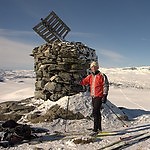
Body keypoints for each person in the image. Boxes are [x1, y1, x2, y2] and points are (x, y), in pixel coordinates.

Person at [80, 61, 109, 133]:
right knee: (97, 112)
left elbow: (105, 86)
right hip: (93, 96)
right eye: (92, 67)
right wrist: (76, 81)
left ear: (97, 67)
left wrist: (105, 95)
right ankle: (99, 128)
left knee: (95, 112)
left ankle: (95, 129)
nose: (93, 68)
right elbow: (84, 82)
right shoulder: (90, 76)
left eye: (95, 67)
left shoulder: (102, 75)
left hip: (99, 96)